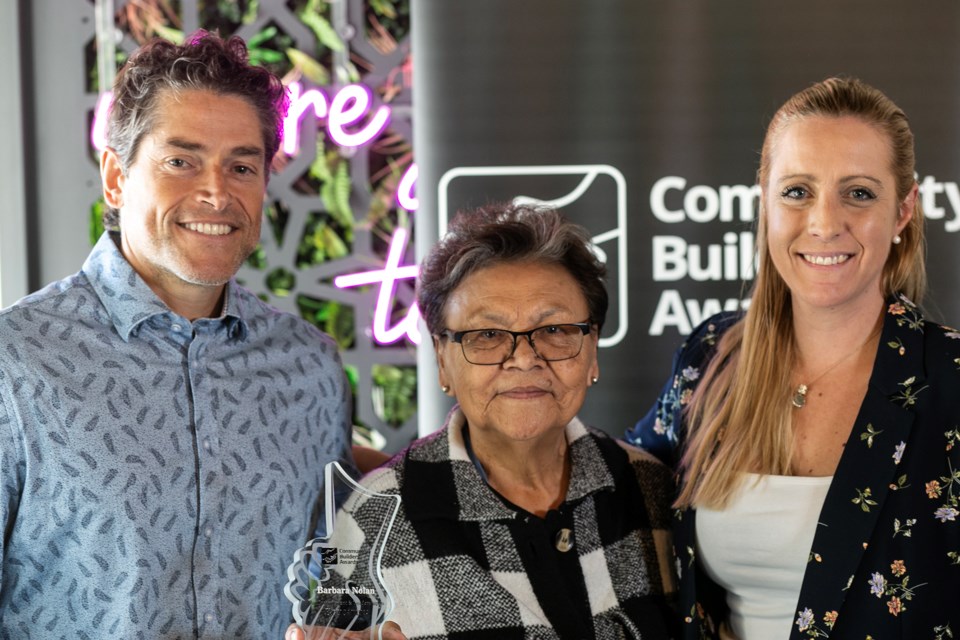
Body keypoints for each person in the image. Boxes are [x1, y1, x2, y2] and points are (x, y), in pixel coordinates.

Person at [0, 32, 359, 638]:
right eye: (181, 161)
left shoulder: (311, 369)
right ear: (116, 177)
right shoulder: (15, 363)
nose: (217, 192)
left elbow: (336, 584)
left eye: (241, 166)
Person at [627, 77, 960, 639]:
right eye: (797, 191)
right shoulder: (713, 357)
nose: (824, 223)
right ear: (765, 201)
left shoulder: (949, 381)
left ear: (904, 211)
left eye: (858, 193)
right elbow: (622, 486)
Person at [291, 203, 678, 640]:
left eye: (554, 330)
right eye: (487, 335)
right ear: (441, 360)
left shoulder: (650, 489)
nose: (525, 359)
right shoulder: (374, 518)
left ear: (592, 350)